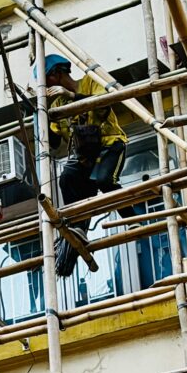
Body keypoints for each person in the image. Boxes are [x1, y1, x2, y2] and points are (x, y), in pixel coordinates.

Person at [45, 53, 128, 278]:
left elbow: (102, 106)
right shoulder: (56, 105)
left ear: (57, 74)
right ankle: (78, 227)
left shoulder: (90, 82)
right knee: (67, 177)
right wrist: (39, 117)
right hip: (86, 158)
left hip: (109, 144)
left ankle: (133, 218)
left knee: (104, 180)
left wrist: (70, 95)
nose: (47, 86)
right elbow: (55, 142)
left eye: (48, 80)